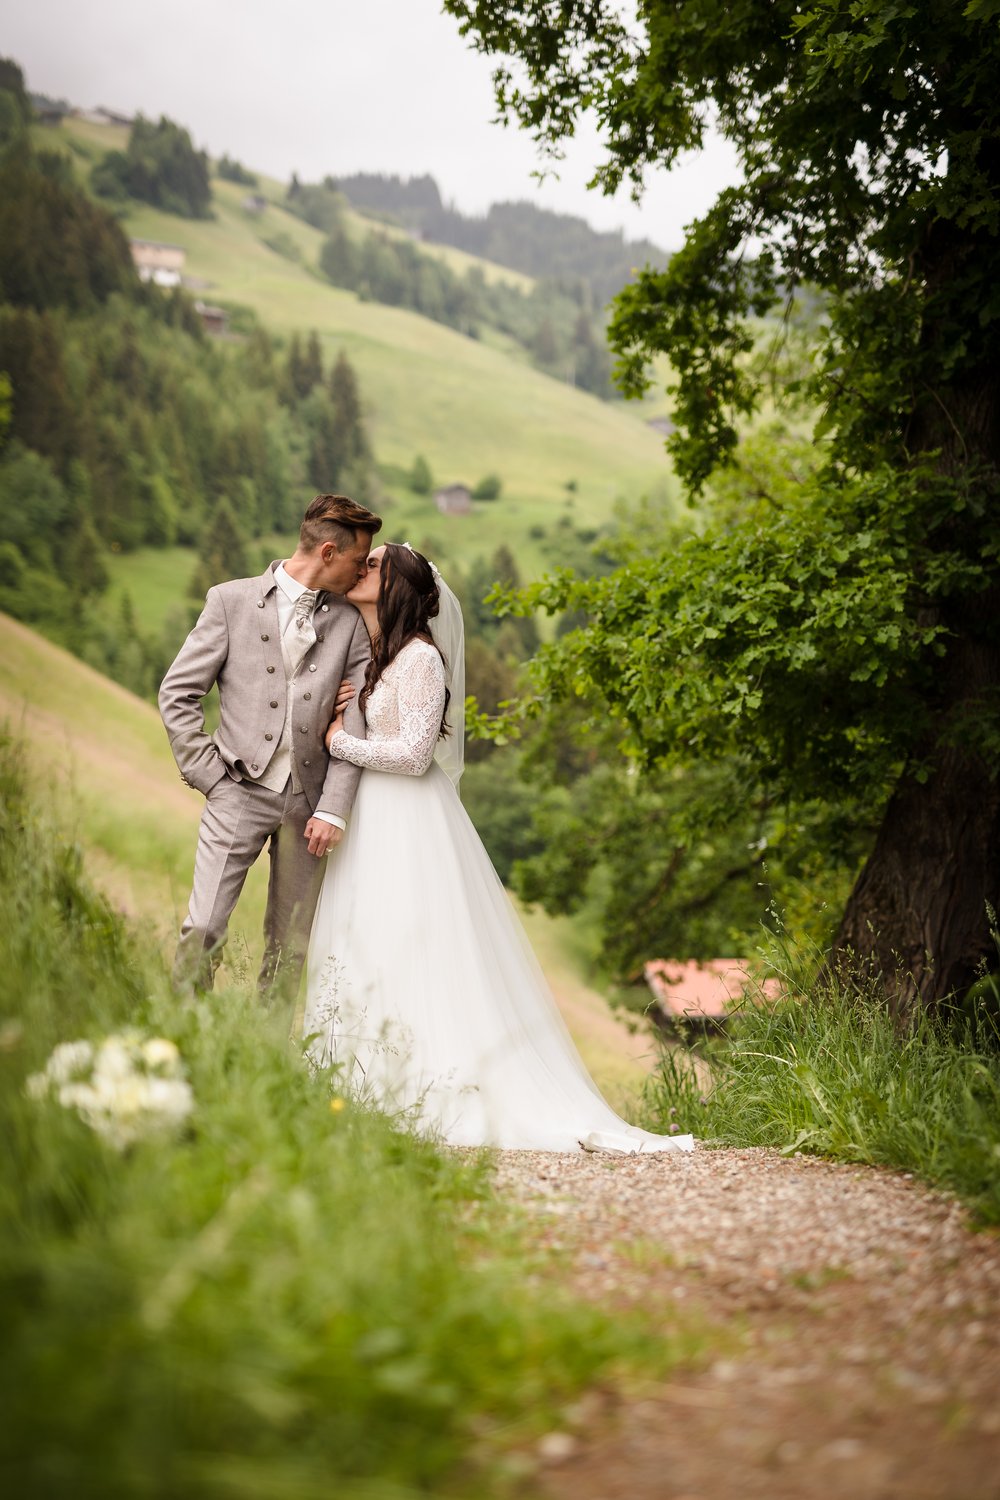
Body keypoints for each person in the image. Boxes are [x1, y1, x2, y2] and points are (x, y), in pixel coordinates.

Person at [302, 542, 694, 1154]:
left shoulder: (422, 659)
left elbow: (412, 755)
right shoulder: (383, 657)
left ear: (400, 587)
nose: (363, 567)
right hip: (378, 817)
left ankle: (428, 1085)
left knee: (415, 944)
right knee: (370, 940)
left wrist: (340, 741)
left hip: (412, 819)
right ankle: (361, 1083)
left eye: (376, 564)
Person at [159, 493, 381, 997]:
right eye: (356, 559)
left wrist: (334, 806)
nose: (361, 570)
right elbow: (178, 692)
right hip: (236, 789)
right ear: (327, 552)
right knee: (204, 928)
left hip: (310, 807)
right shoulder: (229, 601)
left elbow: (357, 720)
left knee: (290, 947)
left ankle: (266, 1057)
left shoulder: (350, 622)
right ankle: (181, 1034)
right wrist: (208, 774)